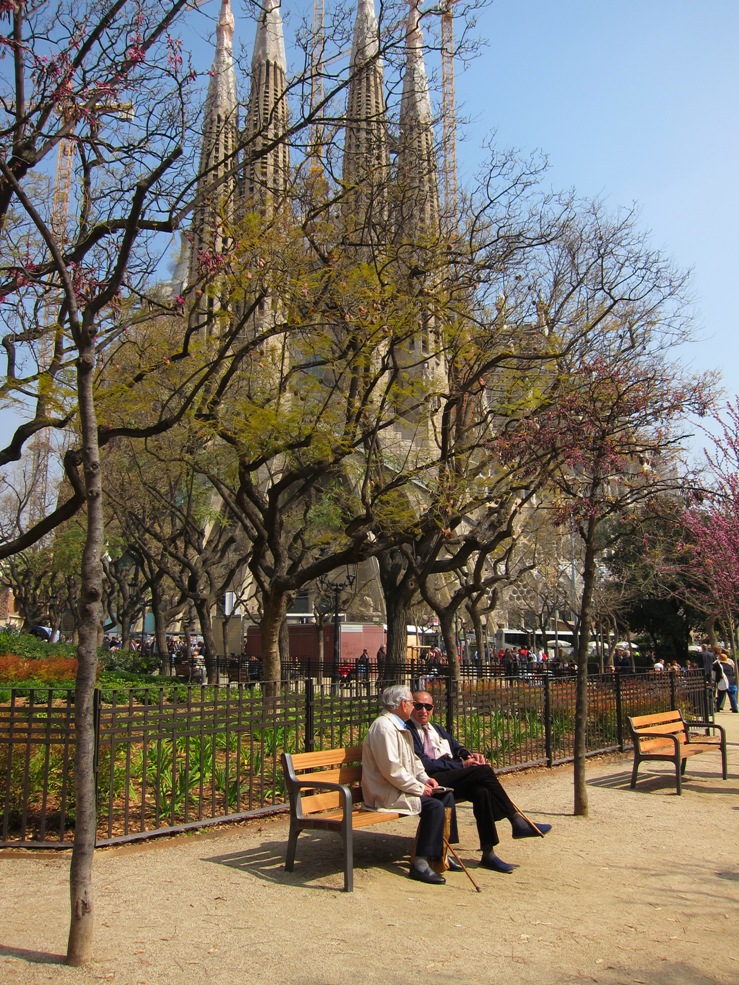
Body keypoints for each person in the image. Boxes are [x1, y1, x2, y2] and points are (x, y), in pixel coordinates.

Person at [408, 690, 552, 874]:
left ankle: (488, 852)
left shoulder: (437, 729)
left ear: (433, 709)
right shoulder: (409, 731)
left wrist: (468, 755)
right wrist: (462, 765)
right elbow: (423, 763)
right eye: (418, 706)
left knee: (481, 791)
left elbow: (457, 747)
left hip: (453, 775)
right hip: (431, 779)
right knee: (484, 771)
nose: (423, 711)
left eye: (427, 707)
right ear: (412, 706)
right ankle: (516, 820)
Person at [361, 684, 460, 885]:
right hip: (385, 792)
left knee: (445, 795)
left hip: (398, 788)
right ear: (403, 704)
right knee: (434, 806)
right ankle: (420, 862)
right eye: (413, 703)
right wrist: (419, 788)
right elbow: (392, 769)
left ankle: (440, 853)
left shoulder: (398, 724)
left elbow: (413, 760)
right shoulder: (384, 727)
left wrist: (425, 779)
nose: (415, 707)